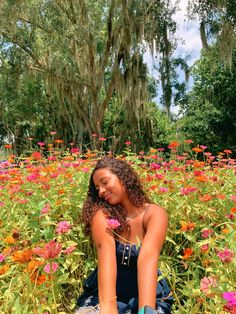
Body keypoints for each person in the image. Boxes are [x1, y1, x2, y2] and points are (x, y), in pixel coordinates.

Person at [76, 157, 173, 314]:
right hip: (104, 296)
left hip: (147, 294)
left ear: (123, 177)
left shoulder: (154, 214)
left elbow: (147, 259)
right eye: (97, 187)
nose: (100, 191)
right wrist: (108, 310)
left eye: (105, 182)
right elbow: (106, 257)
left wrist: (145, 311)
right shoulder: (101, 216)